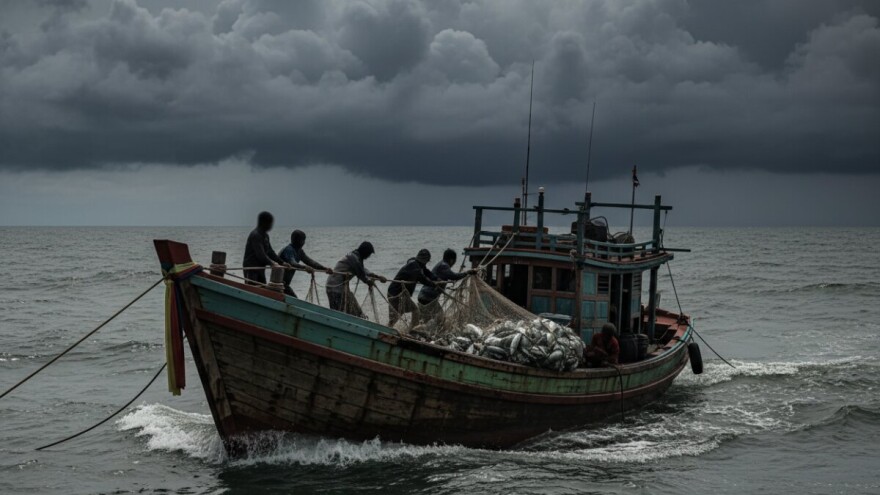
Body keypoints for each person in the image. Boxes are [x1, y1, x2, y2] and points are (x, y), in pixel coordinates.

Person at [326, 241, 386, 318]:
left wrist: (376, 276)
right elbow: (361, 274)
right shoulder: (354, 259)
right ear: (365, 252)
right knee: (341, 313)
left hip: (335, 287)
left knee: (349, 311)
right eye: (369, 254)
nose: (368, 257)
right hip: (336, 288)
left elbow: (362, 269)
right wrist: (368, 281)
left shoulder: (354, 256)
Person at [387, 249, 441, 328]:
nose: (426, 263)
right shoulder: (415, 267)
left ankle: (389, 328)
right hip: (397, 295)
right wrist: (433, 285)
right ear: (424, 260)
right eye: (426, 261)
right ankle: (412, 330)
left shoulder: (415, 264)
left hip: (395, 293)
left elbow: (426, 272)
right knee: (415, 311)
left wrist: (436, 278)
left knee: (397, 314)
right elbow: (422, 278)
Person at [417, 248, 475, 321]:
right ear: (452, 260)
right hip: (428, 298)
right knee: (441, 318)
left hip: (423, 296)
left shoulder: (440, 264)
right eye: (454, 261)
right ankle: (424, 330)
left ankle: (419, 330)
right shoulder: (444, 265)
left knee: (425, 319)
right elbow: (454, 276)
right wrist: (467, 273)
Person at [279, 230, 333, 298]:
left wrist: (324, 268)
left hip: (285, 285)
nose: (303, 243)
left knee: (294, 300)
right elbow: (292, 263)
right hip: (278, 284)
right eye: (303, 240)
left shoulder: (299, 251)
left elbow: (310, 262)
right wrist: (305, 268)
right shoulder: (289, 250)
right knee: (295, 301)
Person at [242, 211, 287, 286]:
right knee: (252, 288)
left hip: (260, 269)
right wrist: (273, 264)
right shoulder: (256, 235)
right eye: (270, 223)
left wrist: (282, 262)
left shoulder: (265, 236)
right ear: (263, 223)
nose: (271, 226)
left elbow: (270, 252)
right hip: (251, 268)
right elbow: (261, 255)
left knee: (262, 288)